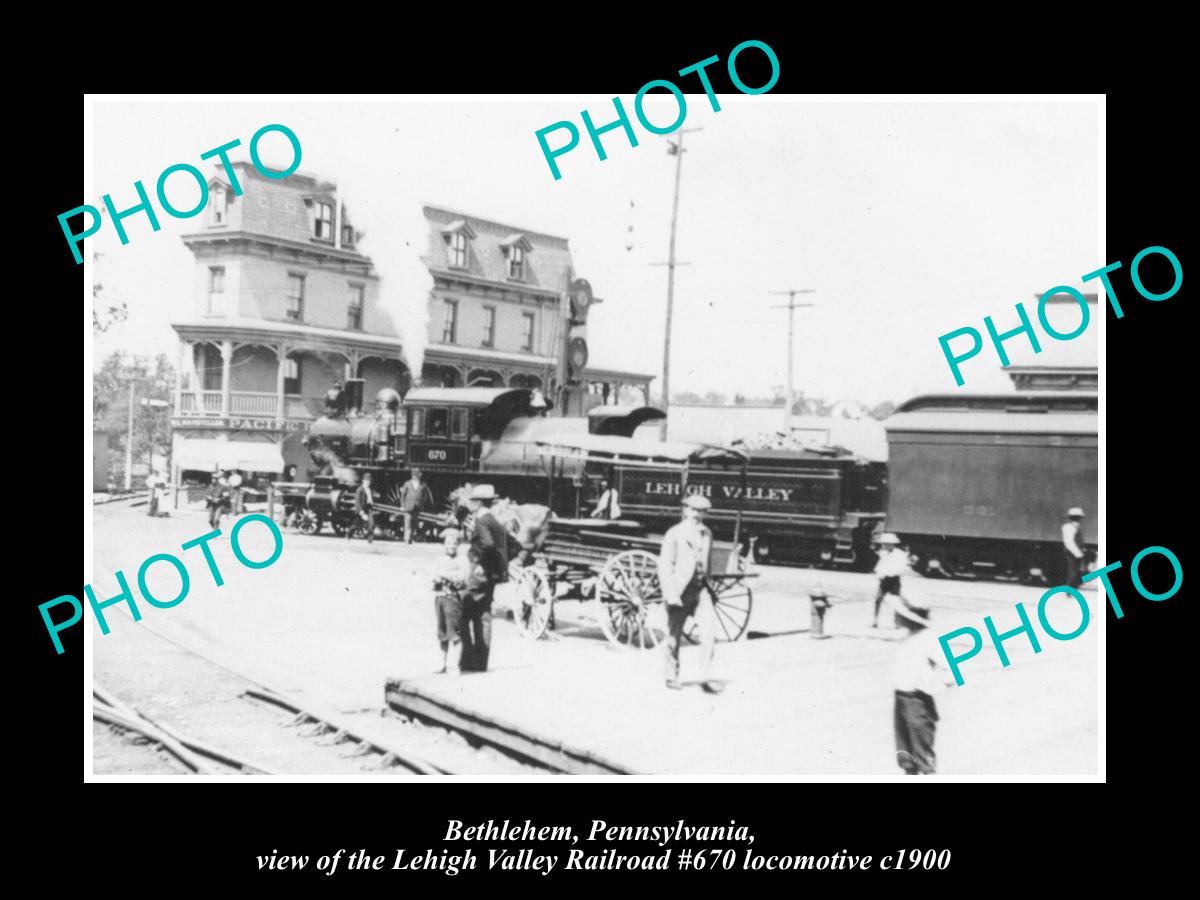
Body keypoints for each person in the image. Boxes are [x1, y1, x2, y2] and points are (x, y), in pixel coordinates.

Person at [885, 584, 956, 775]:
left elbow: (951, 667)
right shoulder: (907, 637)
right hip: (901, 699)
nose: (894, 615)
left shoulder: (928, 638)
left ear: (910, 618)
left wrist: (933, 686)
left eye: (898, 613)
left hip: (917, 701)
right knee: (906, 754)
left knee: (922, 752)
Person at [657, 494, 721, 693]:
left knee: (709, 633)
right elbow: (665, 565)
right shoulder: (674, 534)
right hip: (680, 590)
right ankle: (671, 675)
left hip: (701, 590)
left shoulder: (707, 533)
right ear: (685, 510)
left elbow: (707, 562)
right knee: (674, 636)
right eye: (692, 509)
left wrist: (709, 584)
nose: (696, 514)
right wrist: (670, 593)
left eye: (700, 511)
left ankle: (705, 677)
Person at [462, 484, 508, 672]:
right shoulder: (496, 521)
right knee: (484, 615)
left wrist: (479, 561)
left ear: (479, 502)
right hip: (493, 576)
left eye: (473, 500)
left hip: (479, 573)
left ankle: (467, 658)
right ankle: (481, 663)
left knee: (461, 614)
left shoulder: (481, 520)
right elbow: (511, 544)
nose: (471, 504)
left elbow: (487, 544)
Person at [432, 529, 470, 675]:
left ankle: (454, 666)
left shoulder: (462, 560)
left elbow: (463, 579)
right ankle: (442, 663)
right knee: (441, 633)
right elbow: (433, 576)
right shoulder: (439, 560)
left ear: (458, 545)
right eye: (448, 543)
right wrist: (438, 578)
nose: (451, 546)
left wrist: (444, 575)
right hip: (440, 598)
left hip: (452, 599)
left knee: (454, 633)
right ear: (444, 545)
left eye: (454, 543)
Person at [872, 533, 909, 628]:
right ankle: (875, 621)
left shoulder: (900, 554)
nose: (884, 545)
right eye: (884, 544)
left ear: (892, 544)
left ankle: (896, 622)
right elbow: (880, 566)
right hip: (884, 580)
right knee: (877, 599)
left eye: (887, 543)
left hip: (894, 580)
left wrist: (891, 574)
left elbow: (902, 568)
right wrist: (879, 574)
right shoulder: (883, 553)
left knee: (896, 602)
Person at [399, 468, 435, 544]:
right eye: (418, 474)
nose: (419, 476)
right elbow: (403, 495)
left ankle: (412, 538)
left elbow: (425, 496)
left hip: (417, 507)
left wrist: (422, 504)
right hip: (408, 506)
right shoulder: (407, 484)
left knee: (415, 523)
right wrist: (402, 505)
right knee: (407, 522)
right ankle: (407, 538)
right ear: (414, 476)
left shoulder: (423, 485)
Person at [1062, 507, 1086, 588]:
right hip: (1073, 553)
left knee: (1075, 571)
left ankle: (1071, 589)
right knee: (1073, 571)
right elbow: (1069, 542)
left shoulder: (1075, 527)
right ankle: (1070, 590)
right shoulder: (1069, 527)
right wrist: (1079, 554)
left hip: (1076, 553)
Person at [353, 473, 376, 543]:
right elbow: (357, 501)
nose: (368, 482)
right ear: (363, 481)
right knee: (356, 525)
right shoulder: (360, 489)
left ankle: (370, 539)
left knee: (371, 523)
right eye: (367, 480)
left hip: (369, 509)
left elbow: (370, 499)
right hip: (362, 509)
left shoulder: (370, 490)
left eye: (369, 481)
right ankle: (348, 534)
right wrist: (361, 512)